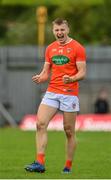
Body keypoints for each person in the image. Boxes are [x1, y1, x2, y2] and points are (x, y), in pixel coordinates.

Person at [25, 18, 86, 173]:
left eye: (62, 30)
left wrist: (71, 78)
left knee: (69, 131)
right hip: (52, 92)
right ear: (53, 31)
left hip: (69, 94)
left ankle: (68, 166)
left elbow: (83, 72)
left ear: (68, 30)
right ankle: (40, 163)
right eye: (57, 30)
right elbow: (46, 73)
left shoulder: (78, 48)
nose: (59, 33)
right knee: (40, 124)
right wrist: (40, 77)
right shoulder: (50, 48)